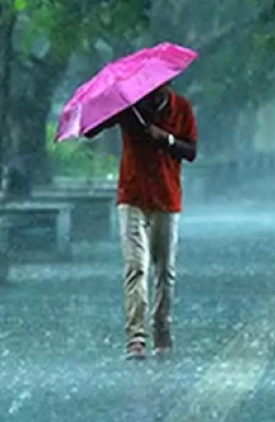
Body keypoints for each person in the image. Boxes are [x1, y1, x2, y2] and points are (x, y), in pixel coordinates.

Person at [86, 82, 198, 360]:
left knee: (164, 270)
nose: (152, 91)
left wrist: (166, 139)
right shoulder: (129, 107)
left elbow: (192, 151)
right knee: (136, 266)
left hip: (167, 197)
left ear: (168, 84)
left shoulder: (181, 107)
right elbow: (91, 130)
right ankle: (136, 338)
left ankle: (161, 327)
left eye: (158, 87)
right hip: (132, 195)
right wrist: (109, 107)